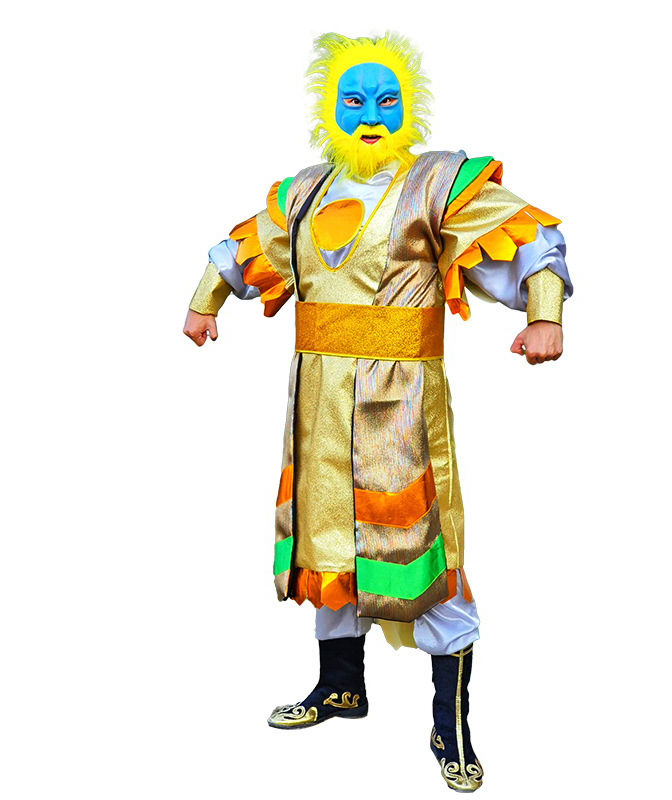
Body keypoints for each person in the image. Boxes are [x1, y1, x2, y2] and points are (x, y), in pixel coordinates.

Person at [183, 32, 572, 793]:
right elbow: (243, 247)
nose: (369, 114)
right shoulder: (303, 192)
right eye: (354, 100)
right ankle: (340, 687)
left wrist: (545, 312)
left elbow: (532, 236)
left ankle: (449, 724)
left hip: (399, 407)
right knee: (327, 537)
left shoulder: (438, 184)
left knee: (416, 544)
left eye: (386, 100)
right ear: (329, 109)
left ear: (408, 108)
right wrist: (204, 302)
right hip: (318, 403)